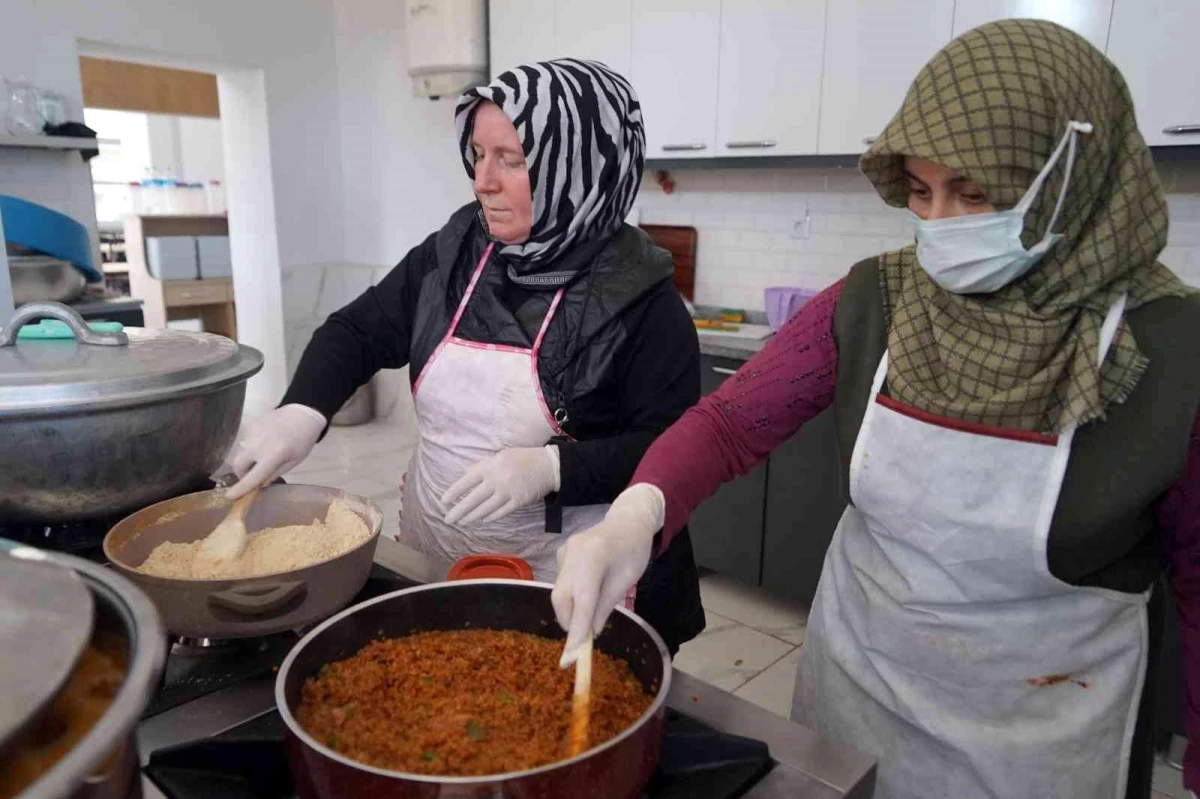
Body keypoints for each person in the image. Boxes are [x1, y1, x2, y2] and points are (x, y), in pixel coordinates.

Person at [551, 20, 1200, 799]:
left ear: (1070, 177)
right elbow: (727, 424)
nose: (942, 223)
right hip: (862, 692)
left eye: (976, 192)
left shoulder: (1170, 352)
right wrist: (638, 512)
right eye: (921, 192)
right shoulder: (879, 299)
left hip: (1045, 736)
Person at [225, 58, 705, 654]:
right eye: (478, 154)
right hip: (440, 554)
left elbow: (674, 449)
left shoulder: (646, 302)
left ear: (577, 167)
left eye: (512, 159)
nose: (483, 180)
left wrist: (552, 469)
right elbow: (357, 330)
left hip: (574, 577)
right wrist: (302, 409)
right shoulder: (455, 253)